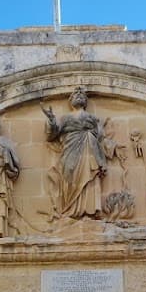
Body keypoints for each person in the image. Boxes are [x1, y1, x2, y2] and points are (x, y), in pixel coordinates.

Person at [42, 87, 109, 219]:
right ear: (70, 101)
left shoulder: (93, 118)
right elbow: (52, 135)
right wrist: (51, 121)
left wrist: (94, 134)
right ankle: (70, 210)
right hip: (70, 151)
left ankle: (89, 211)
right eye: (75, 95)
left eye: (82, 95)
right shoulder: (65, 118)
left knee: (90, 178)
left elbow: (100, 135)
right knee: (69, 176)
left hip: (89, 150)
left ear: (85, 101)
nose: (79, 96)